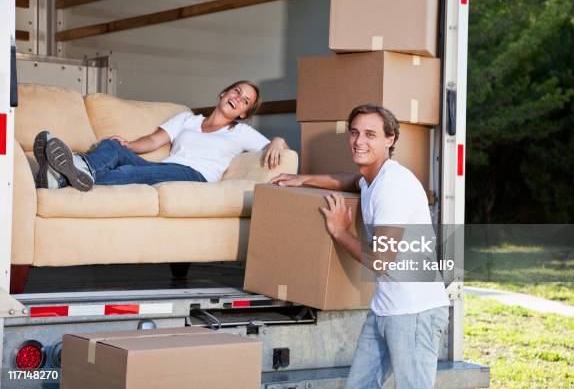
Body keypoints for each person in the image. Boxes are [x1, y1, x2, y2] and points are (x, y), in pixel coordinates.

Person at [271, 104, 450, 389]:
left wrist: (340, 231)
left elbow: (382, 260)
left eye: (370, 134)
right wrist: (303, 179)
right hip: (386, 308)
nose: (359, 141)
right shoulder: (372, 179)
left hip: (415, 312)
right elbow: (351, 179)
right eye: (354, 133)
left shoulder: (392, 186)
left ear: (390, 139)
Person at [34, 80, 288, 191]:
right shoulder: (188, 119)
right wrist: (129, 145)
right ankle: (66, 174)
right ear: (223, 93)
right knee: (112, 145)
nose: (237, 99)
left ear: (244, 113)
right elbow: (155, 140)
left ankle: (64, 175)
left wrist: (277, 140)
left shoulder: (241, 132)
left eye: (245, 101)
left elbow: (277, 145)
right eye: (236, 91)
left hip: (194, 175)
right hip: (168, 167)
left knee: (129, 175)